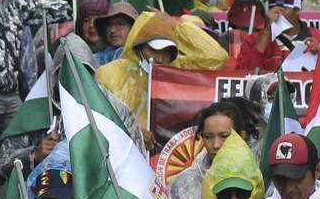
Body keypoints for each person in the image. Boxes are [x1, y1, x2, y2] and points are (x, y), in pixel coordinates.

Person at [96, 10, 229, 131]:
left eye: (167, 52)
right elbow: (99, 117)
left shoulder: (178, 69)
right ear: (139, 47)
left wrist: (177, 26)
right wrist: (135, 132)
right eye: (154, 50)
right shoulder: (109, 73)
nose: (160, 58)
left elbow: (216, 58)